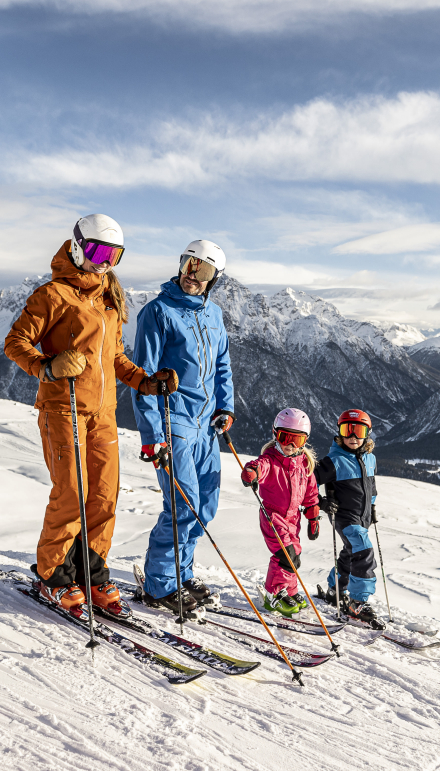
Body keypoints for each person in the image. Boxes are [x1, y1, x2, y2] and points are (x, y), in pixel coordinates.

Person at [4, 213, 176, 618]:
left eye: (114, 254)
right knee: (72, 493)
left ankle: (91, 571)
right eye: (98, 251)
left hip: (103, 413)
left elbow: (115, 358)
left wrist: (146, 382)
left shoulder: (109, 299)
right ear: (78, 246)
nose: (105, 262)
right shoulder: (53, 296)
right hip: (63, 408)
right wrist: (46, 366)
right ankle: (53, 575)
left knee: (103, 496)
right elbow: (15, 342)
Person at [132, 239, 234, 614]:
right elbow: (143, 377)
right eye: (188, 264)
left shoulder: (214, 315)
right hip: (173, 422)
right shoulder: (157, 313)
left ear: (214, 279)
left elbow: (222, 365)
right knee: (183, 504)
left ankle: (180, 571)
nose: (192, 274)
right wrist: (152, 436)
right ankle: (159, 584)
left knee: (204, 506)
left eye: (202, 270)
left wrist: (226, 407)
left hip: (206, 426)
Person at [240, 408, 320, 618]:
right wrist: (252, 472)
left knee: (295, 557)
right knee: (286, 556)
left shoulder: (304, 465)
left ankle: (289, 591)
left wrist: (313, 516)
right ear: (276, 434)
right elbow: (258, 466)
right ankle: (272, 595)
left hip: (294, 519)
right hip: (272, 516)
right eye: (285, 437)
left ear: (305, 442)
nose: (290, 445)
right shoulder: (271, 459)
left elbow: (311, 494)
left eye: (297, 440)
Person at [314, 408, 378, 623]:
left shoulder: (370, 459)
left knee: (351, 554)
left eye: (358, 431)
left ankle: (335, 589)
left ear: (367, 433)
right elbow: (306, 482)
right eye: (347, 430)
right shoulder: (333, 461)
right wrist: (321, 502)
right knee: (363, 548)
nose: (352, 436)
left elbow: (372, 486)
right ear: (339, 432)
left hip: (364, 517)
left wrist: (373, 506)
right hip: (344, 517)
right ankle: (358, 601)